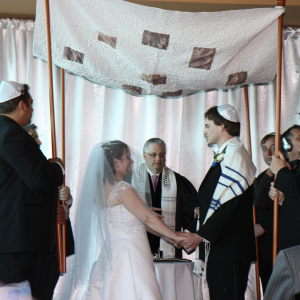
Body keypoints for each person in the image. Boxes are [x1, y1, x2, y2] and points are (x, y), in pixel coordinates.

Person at [55, 140, 185, 300]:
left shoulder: (100, 190)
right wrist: (175, 236)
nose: (132, 161)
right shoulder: (123, 189)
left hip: (111, 254)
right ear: (116, 163)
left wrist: (167, 237)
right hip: (132, 253)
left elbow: (134, 222)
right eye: (128, 157)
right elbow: (147, 218)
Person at [178, 104, 256, 300]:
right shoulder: (226, 156)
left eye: (207, 125)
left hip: (229, 249)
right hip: (220, 248)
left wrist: (201, 234)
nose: (204, 132)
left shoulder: (236, 157)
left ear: (222, 126)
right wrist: (193, 224)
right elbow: (212, 203)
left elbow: (229, 206)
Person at [0, 80, 64, 298]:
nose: (33, 109)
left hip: (16, 238)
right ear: (21, 105)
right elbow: (38, 179)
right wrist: (57, 166)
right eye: (31, 103)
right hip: (18, 238)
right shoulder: (11, 134)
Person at [23, 123, 75, 300]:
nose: (38, 141)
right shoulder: (15, 169)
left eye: (37, 136)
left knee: (46, 294)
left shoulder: (49, 166)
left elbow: (63, 199)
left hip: (53, 243)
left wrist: (66, 200)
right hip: (27, 244)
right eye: (33, 137)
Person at [140, 138, 198, 258]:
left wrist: (185, 235)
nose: (158, 159)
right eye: (154, 154)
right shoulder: (131, 180)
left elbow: (191, 210)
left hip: (169, 249)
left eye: (162, 154)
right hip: (139, 247)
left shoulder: (178, 182)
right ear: (144, 155)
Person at [268, 125, 300, 252]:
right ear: (287, 145)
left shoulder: (285, 173)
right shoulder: (293, 171)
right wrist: (283, 199)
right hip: (290, 245)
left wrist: (281, 171)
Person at [253, 133, 276, 292]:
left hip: (282, 246)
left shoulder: (292, 174)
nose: (268, 154)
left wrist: (265, 225)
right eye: (264, 149)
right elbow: (257, 202)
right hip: (262, 250)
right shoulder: (262, 177)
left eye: (273, 148)